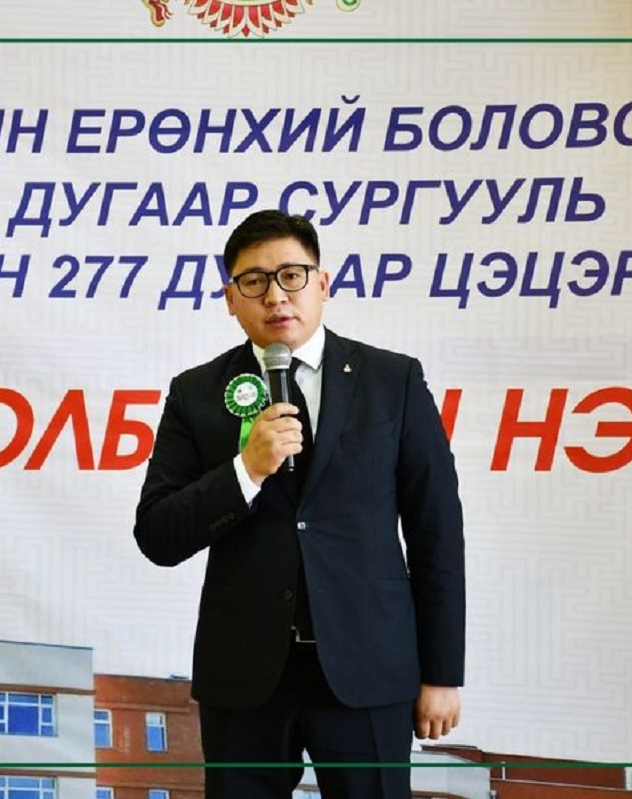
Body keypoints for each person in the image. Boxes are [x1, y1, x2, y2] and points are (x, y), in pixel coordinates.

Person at [133, 209, 465, 799]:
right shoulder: (196, 393)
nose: (275, 295)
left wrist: (442, 673)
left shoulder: (392, 380)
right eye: (253, 281)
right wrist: (246, 471)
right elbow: (157, 534)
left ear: (322, 284)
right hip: (245, 677)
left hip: (368, 671)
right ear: (230, 299)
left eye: (291, 275)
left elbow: (435, 532)